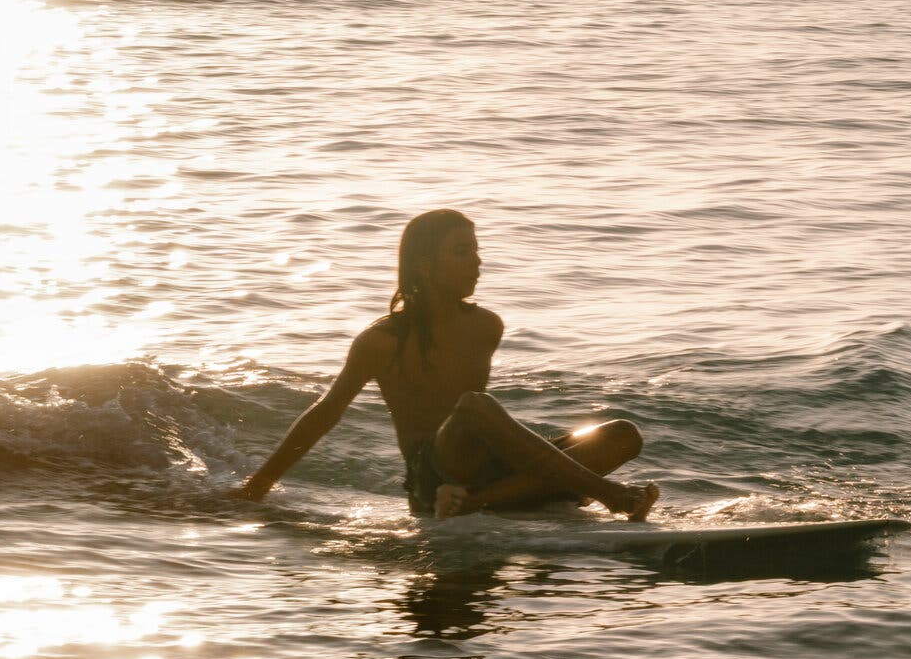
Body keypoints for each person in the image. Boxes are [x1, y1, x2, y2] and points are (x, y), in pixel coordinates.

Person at [233, 210, 660, 521]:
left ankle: (474, 503)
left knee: (622, 434)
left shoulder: (487, 325)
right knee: (474, 405)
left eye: (476, 250)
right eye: (461, 252)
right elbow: (326, 413)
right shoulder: (381, 341)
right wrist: (260, 485)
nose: (477, 262)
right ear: (425, 265)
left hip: (485, 472)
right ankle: (614, 496)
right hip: (434, 472)